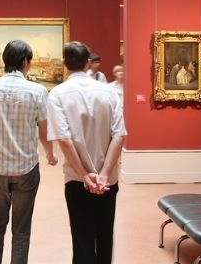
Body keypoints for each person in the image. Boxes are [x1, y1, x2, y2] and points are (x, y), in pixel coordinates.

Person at [0, 40, 57, 264]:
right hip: (25, 167)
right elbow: (44, 131)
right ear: (25, 61)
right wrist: (50, 155)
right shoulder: (37, 91)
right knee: (21, 228)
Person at [47, 41, 127, 264]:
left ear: (64, 63)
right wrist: (103, 174)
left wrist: (85, 175)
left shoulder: (58, 94)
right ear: (87, 63)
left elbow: (64, 139)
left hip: (76, 179)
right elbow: (119, 135)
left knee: (81, 239)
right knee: (105, 237)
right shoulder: (109, 92)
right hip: (108, 180)